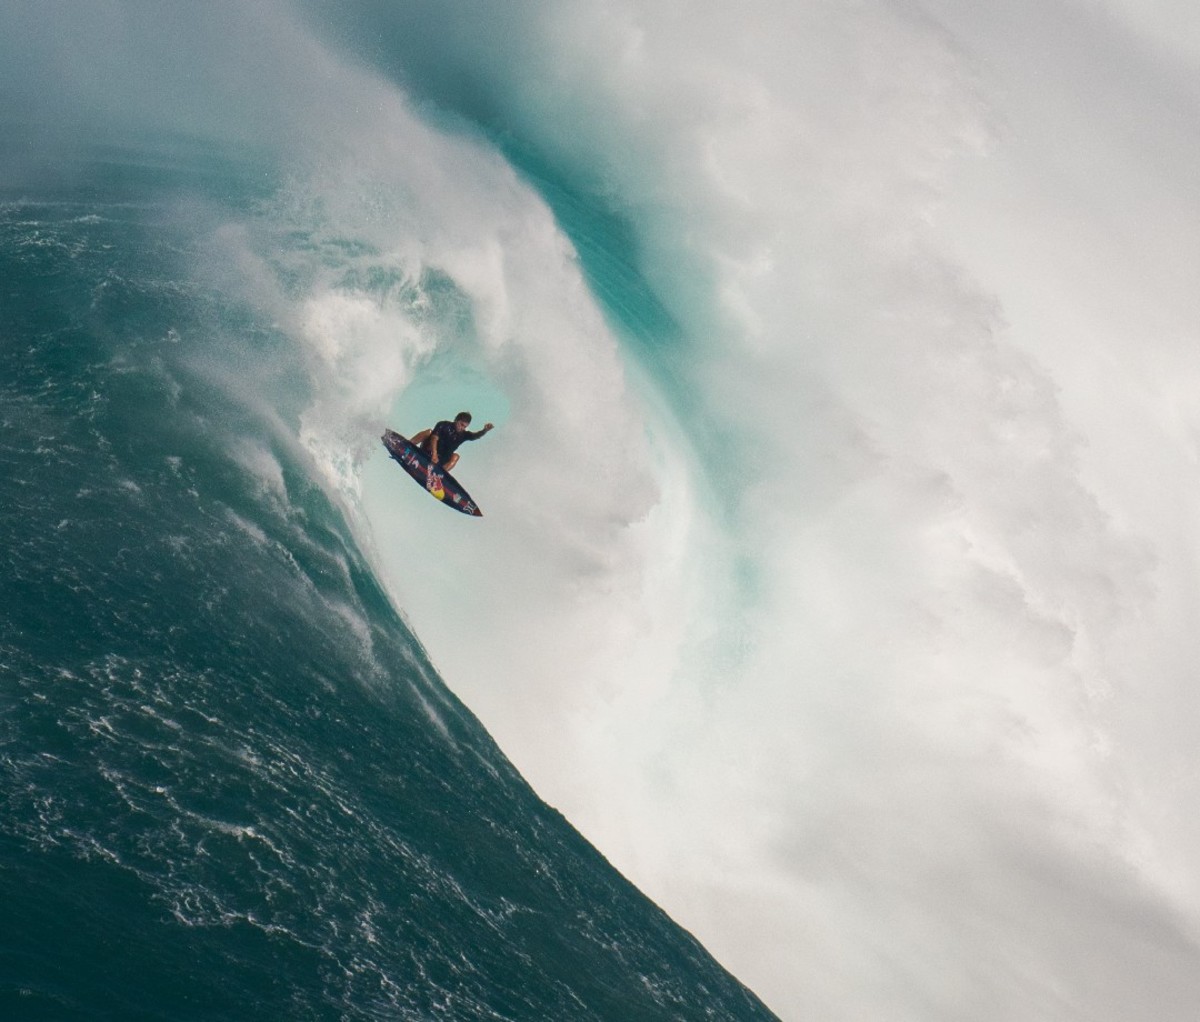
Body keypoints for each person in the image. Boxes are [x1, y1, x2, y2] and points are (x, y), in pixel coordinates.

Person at [411, 412, 494, 473]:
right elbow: (434, 438)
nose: (462, 428)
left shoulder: (464, 435)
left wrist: (485, 430)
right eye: (461, 424)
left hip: (440, 461)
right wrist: (434, 454)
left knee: (456, 456)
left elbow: (475, 436)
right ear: (456, 420)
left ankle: (438, 474)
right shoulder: (443, 425)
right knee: (428, 432)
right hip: (428, 451)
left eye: (465, 426)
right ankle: (406, 445)